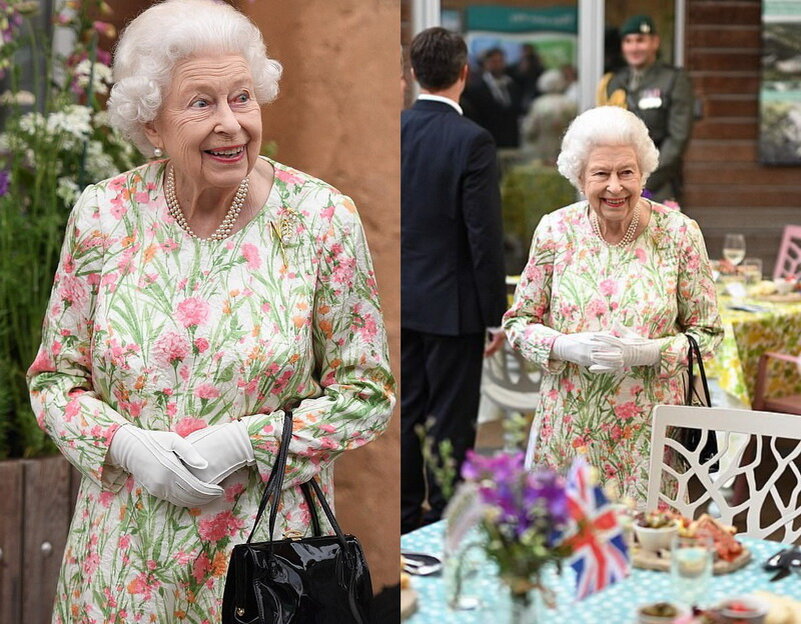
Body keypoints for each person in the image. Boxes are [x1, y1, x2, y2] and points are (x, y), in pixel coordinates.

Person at [26, 1, 395, 621]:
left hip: (265, 569)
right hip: (121, 567)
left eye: (243, 98)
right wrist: (124, 445)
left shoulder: (321, 218)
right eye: (201, 103)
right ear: (151, 124)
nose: (231, 124)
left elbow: (368, 395)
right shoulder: (104, 214)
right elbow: (54, 380)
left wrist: (244, 441)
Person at [503, 106, 722, 501]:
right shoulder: (555, 230)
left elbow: (708, 334)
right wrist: (564, 346)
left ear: (644, 172)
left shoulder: (679, 233)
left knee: (646, 553)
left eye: (626, 172)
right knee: (565, 550)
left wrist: (648, 352)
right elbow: (518, 322)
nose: (615, 187)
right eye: (601, 174)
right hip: (568, 435)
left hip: (652, 438)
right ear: (579, 177)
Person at [401, 27, 507, 533]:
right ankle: (443, 524)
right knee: (452, 419)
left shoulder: (393, 131)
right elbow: (483, 236)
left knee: (405, 414)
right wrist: (494, 316)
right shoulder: (473, 140)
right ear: (464, 74)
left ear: (413, 75)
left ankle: (402, 519)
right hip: (454, 307)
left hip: (401, 303)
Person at [597, 15, 694, 203]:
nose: (634, 48)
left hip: (658, 182)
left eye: (640, 41)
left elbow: (678, 138)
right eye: (628, 41)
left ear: (655, 42)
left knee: (658, 231)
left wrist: (644, 179)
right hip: (617, 184)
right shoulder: (614, 81)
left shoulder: (673, 79)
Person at [462, 47, 522, 148]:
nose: (498, 65)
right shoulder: (477, 87)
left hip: (510, 140)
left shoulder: (511, 84)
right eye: (494, 61)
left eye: (500, 61)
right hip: (487, 138)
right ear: (486, 63)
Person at [521, 68, 577, 164]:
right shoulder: (570, 103)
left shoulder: (538, 104)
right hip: (566, 150)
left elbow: (530, 130)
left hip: (542, 151)